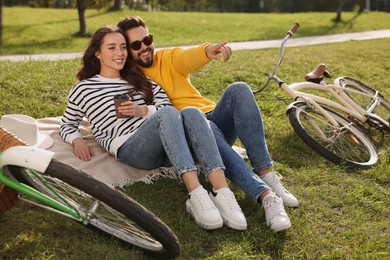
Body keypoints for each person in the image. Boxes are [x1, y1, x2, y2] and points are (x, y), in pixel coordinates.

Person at [118, 16, 299, 232]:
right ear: (127, 50)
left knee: (239, 89)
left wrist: (207, 50)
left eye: (148, 40)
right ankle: (267, 197)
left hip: (210, 116)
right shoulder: (127, 80)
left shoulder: (166, 58)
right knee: (206, 126)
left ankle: (266, 174)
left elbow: (188, 57)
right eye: (137, 45)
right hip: (190, 132)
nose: (145, 47)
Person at [59, 25, 247, 231]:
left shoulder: (140, 80)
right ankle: (196, 194)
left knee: (192, 111)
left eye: (123, 47)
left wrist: (142, 111)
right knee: (166, 114)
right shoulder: (84, 88)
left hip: (164, 146)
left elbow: (167, 108)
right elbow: (68, 123)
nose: (120, 53)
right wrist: (76, 140)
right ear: (97, 52)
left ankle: (222, 192)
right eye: (111, 48)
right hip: (131, 148)